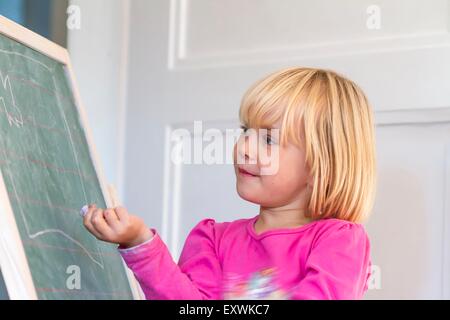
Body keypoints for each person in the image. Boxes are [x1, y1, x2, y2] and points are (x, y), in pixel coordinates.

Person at [82, 67, 377, 300]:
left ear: (319, 165)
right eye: (246, 130)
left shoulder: (339, 242)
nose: (244, 147)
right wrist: (139, 241)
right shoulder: (212, 239)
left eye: (269, 139)